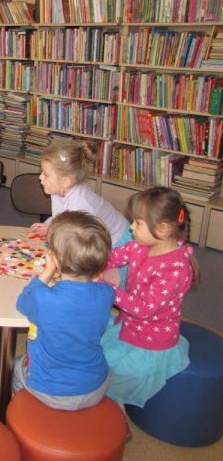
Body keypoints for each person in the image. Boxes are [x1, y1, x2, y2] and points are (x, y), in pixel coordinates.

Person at [100, 187, 199, 408]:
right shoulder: (140, 245)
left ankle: (115, 411)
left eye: (137, 223)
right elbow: (113, 257)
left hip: (149, 343)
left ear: (163, 228)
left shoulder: (176, 269)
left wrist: (109, 289)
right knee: (92, 340)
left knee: (107, 370)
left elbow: (144, 308)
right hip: (129, 325)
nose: (131, 227)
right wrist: (89, 262)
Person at [12, 211, 115, 410]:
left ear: (56, 260)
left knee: (16, 366)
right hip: (96, 386)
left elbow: (23, 301)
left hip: (51, 392)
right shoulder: (107, 293)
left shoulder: (43, 298)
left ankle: (21, 409)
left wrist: (47, 272)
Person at [30, 139, 133, 284]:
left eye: (46, 174)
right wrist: (48, 225)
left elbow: (76, 242)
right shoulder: (58, 190)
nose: (40, 177)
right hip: (94, 236)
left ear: (65, 181)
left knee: (110, 285)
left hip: (116, 242)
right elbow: (60, 216)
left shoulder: (80, 204)